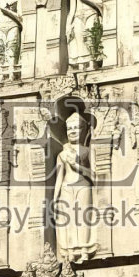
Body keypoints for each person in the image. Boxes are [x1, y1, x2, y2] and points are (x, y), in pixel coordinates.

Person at [54, 111, 95, 262]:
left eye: (76, 128)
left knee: (83, 219)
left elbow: (95, 175)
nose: (72, 131)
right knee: (68, 220)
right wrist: (55, 198)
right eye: (69, 128)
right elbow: (59, 177)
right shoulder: (61, 154)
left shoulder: (87, 151)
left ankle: (84, 249)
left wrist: (77, 166)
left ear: (83, 130)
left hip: (83, 187)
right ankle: (70, 252)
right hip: (66, 187)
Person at [66, 0, 103, 71]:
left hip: (91, 14)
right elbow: (72, 10)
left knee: (90, 38)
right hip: (78, 16)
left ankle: (93, 63)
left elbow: (100, 3)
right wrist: (68, 25)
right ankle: (82, 66)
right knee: (79, 39)